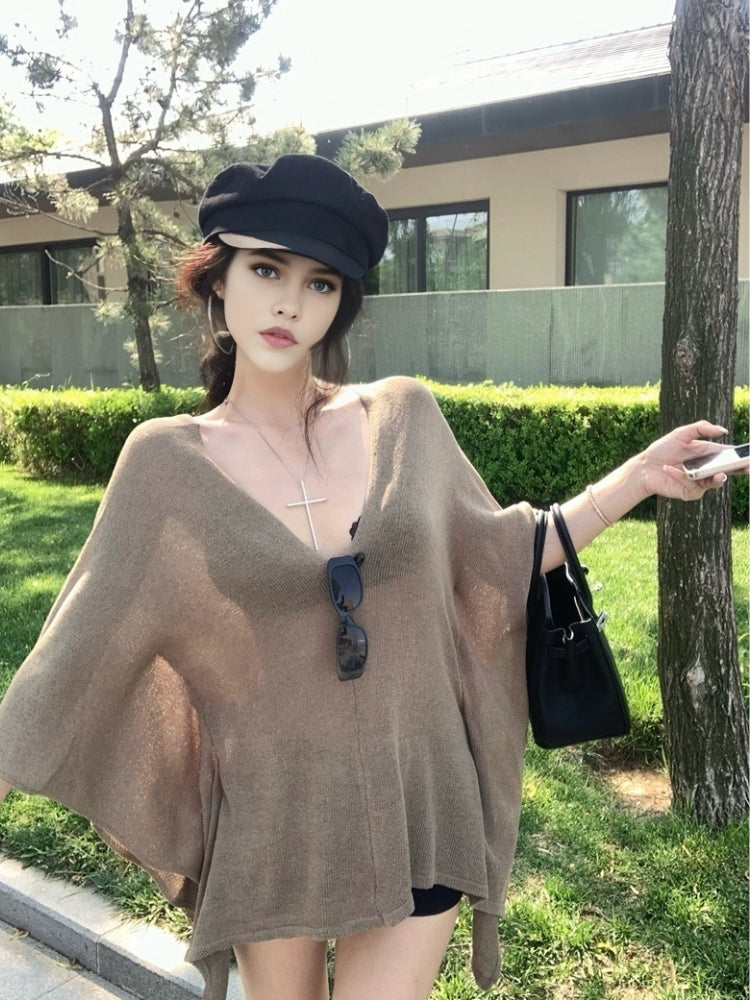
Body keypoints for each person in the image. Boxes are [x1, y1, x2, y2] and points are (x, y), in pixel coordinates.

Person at [0, 154, 732, 1000]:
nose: (289, 303)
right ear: (218, 278)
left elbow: (500, 553)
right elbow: (74, 655)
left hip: (419, 791)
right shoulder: (165, 462)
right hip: (275, 813)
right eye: (266, 270)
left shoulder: (402, 417)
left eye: (319, 283)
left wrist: (639, 478)